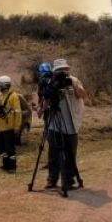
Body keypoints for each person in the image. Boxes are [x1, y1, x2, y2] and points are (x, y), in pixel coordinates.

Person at [44, 58, 88, 193]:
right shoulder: (52, 82)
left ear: (68, 70)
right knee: (53, 153)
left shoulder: (74, 80)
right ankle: (52, 180)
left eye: (64, 69)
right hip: (55, 123)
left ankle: (68, 180)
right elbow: (46, 101)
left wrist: (72, 84)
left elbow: (83, 95)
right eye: (59, 70)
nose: (62, 72)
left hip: (71, 123)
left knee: (70, 154)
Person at [0, 75, 22, 171]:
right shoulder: (1, 97)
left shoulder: (13, 96)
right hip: (1, 128)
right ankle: (6, 165)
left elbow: (18, 112)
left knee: (10, 149)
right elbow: (0, 113)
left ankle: (12, 167)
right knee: (1, 148)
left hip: (9, 128)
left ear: (3, 85)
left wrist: (17, 126)